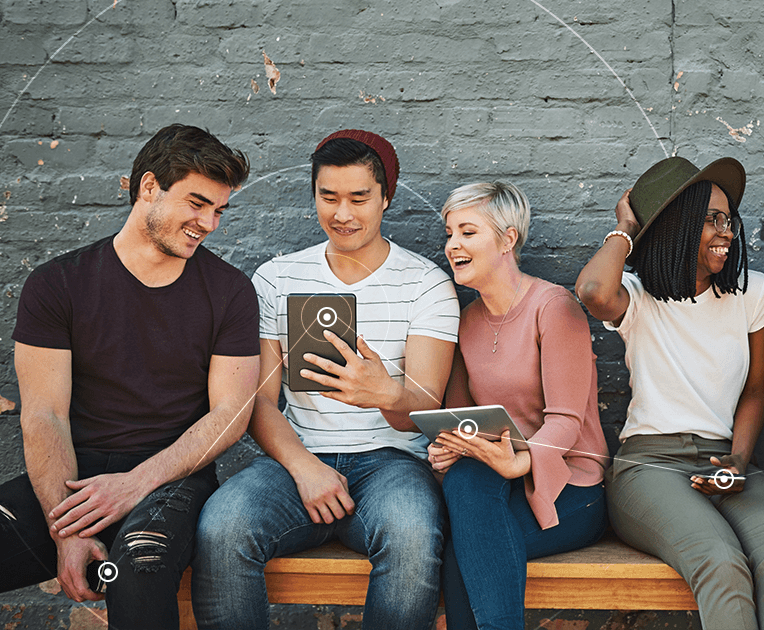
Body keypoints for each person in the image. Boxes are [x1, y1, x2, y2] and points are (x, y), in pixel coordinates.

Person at [191, 129, 459, 630]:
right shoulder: (277, 278)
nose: (343, 214)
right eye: (328, 197)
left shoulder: (426, 284)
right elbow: (260, 402)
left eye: (360, 198)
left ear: (386, 198)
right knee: (222, 527)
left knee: (412, 536)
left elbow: (425, 408)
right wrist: (304, 467)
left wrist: (386, 394)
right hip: (297, 457)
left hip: (392, 464)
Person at [0, 124, 257, 629]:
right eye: (197, 203)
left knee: (138, 569)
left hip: (171, 478)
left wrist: (135, 484)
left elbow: (231, 415)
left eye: (219, 211)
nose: (208, 223)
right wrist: (66, 532)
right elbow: (44, 414)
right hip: (73, 477)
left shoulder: (229, 291)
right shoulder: (58, 284)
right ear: (147, 188)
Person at [576, 156, 764, 630]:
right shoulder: (638, 296)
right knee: (720, 560)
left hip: (726, 460)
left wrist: (740, 462)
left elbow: (753, 393)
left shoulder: (755, 295)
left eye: (729, 221)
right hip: (649, 467)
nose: (726, 232)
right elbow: (592, 291)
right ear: (680, 225)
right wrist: (625, 226)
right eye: (711, 220)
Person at [429, 181, 609, 630]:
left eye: (468, 232)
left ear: (508, 239)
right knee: (467, 479)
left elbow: (567, 422)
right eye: (449, 233)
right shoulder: (466, 319)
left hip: (571, 488)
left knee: (463, 550)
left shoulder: (554, 307)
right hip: (494, 487)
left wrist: (519, 462)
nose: (453, 245)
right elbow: (463, 421)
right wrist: (449, 447)